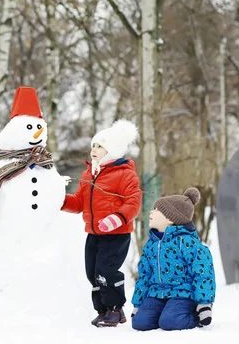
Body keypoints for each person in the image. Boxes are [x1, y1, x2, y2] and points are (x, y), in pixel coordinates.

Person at [61, 120, 142, 327]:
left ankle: (115, 309)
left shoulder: (125, 173)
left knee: (106, 270)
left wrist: (115, 219)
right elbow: (78, 202)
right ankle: (103, 310)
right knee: (92, 272)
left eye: (99, 146)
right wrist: (59, 199)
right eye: (93, 146)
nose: (93, 150)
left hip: (116, 234)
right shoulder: (89, 174)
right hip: (94, 233)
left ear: (112, 150)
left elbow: (133, 202)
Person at [131, 187, 215, 331]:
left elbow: (203, 274)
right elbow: (145, 275)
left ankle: (193, 316)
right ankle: (164, 313)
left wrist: (204, 304)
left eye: (157, 210)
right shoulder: (151, 245)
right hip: (156, 293)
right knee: (139, 323)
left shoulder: (188, 244)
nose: (151, 212)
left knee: (170, 322)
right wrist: (138, 304)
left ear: (170, 219)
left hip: (182, 293)